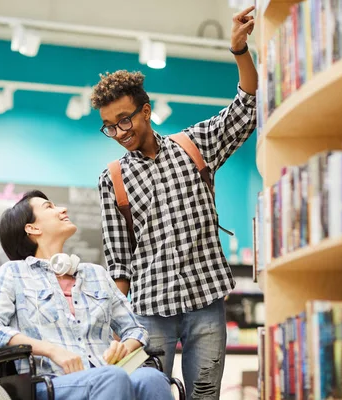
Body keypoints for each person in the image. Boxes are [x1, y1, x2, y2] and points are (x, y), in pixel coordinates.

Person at [92, 6, 258, 400]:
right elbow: (119, 260)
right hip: (150, 311)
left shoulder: (194, 145)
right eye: (109, 126)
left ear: (145, 111)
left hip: (206, 302)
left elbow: (247, 106)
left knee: (204, 396)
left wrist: (239, 50)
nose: (118, 132)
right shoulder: (112, 178)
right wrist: (118, 325)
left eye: (124, 120)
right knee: (151, 395)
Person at [0, 190, 174, 400]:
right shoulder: (14, 273)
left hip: (107, 373)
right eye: (49, 207)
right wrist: (51, 350)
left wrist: (123, 348)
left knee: (151, 378)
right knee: (112, 377)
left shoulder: (96, 274)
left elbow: (136, 330)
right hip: (47, 382)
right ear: (32, 228)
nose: (63, 209)